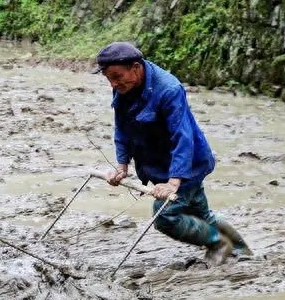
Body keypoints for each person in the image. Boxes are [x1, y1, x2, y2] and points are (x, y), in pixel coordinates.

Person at [93, 41, 252, 266]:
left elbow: (183, 137)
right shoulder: (124, 86)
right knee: (200, 212)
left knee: (165, 215)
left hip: (187, 163)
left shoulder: (169, 89)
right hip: (159, 161)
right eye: (109, 78)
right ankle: (241, 251)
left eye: (117, 77)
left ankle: (219, 244)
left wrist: (174, 182)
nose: (113, 83)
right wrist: (121, 166)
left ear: (136, 68)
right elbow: (122, 126)